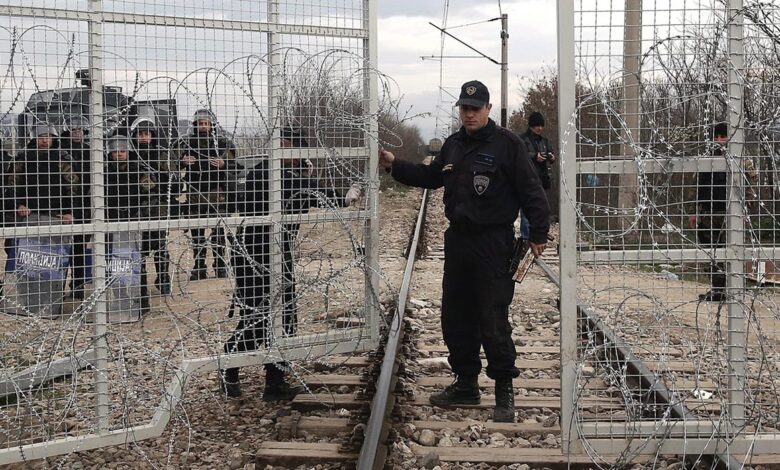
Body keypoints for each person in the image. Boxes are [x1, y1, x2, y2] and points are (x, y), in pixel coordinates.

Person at [379, 80, 550, 423]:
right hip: (458, 241)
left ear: (488, 109)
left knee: (493, 317)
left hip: (493, 243)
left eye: (475, 108)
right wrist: (394, 164)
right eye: (464, 108)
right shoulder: (454, 145)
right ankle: (466, 384)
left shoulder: (508, 145)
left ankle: (504, 390)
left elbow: (531, 190)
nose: (469, 114)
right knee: (456, 317)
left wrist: (539, 232)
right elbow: (430, 176)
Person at [220, 127, 361, 399]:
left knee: (284, 316)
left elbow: (303, 192)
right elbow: (307, 191)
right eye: (290, 147)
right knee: (257, 316)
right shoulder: (268, 172)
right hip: (254, 253)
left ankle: (275, 381)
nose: (292, 153)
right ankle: (229, 366)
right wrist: (343, 196)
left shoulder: (286, 174)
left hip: (276, 251)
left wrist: (304, 177)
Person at [179, 109, 237, 281]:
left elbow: (235, 165)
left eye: (206, 123)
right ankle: (199, 267)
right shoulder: (187, 143)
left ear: (212, 125)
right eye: (200, 123)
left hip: (216, 193)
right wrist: (182, 162)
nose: (203, 126)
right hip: (195, 193)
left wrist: (224, 163)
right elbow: (170, 164)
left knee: (218, 233)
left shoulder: (222, 143)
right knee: (197, 235)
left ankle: (220, 266)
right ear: (195, 125)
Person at [104, 134, 158, 313]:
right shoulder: (103, 171)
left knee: (137, 262)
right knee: (114, 263)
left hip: (134, 221)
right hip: (111, 221)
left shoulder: (139, 170)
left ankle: (140, 300)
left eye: (122, 151)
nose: (119, 154)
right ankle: (120, 298)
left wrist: (140, 214)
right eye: (115, 152)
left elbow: (151, 194)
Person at [132, 117, 175, 295]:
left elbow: (174, 182)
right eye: (140, 134)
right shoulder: (130, 154)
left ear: (152, 136)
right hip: (135, 207)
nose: (143, 138)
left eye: (146, 134)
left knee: (160, 245)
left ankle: (163, 280)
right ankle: (140, 282)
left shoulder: (161, 154)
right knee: (138, 247)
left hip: (158, 206)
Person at [689, 123, 729, 302]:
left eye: (723, 137)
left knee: (730, 251)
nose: (719, 140)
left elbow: (748, 187)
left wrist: (745, 210)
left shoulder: (738, 158)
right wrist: (694, 212)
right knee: (710, 252)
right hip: (708, 212)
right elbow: (698, 187)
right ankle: (718, 289)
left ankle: (732, 288)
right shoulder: (707, 158)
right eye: (716, 137)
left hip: (729, 213)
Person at [12, 124, 79, 227]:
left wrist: (70, 212)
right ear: (34, 139)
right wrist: (18, 205)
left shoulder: (62, 159)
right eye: (40, 137)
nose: (44, 141)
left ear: (53, 139)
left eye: (48, 136)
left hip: (58, 213)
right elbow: (12, 185)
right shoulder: (24, 159)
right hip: (29, 213)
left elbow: (73, 187)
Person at [61, 115, 92, 300]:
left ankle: (78, 285)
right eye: (74, 130)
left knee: (80, 247)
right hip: (64, 205)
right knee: (60, 247)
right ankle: (58, 285)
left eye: (80, 130)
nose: (77, 133)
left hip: (84, 204)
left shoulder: (89, 151)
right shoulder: (61, 151)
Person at [517, 112, 556, 244]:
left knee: (542, 210)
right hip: (527, 181)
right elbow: (520, 155)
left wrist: (551, 157)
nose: (539, 128)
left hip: (542, 180)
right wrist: (534, 156)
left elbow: (551, 154)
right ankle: (526, 238)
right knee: (526, 212)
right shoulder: (522, 139)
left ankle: (539, 234)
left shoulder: (544, 141)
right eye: (536, 126)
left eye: (541, 126)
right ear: (531, 125)